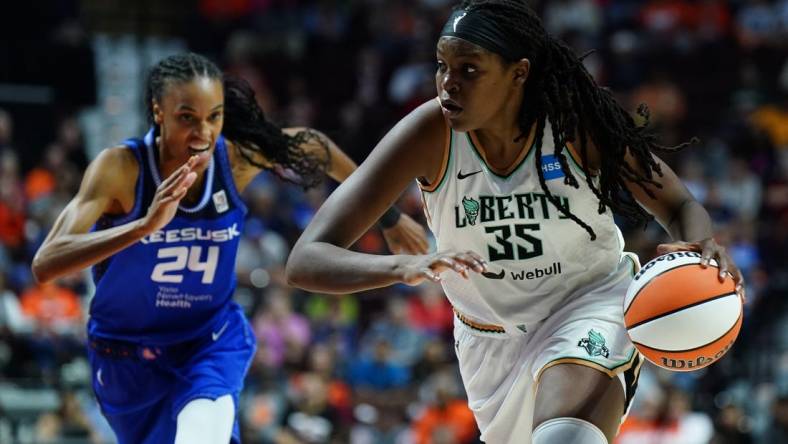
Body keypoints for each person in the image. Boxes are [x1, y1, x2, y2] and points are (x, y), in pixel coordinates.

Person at [285, 1, 745, 443]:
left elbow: (679, 205)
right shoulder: (428, 132)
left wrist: (698, 243)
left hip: (589, 304)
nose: (448, 84)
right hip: (487, 338)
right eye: (441, 66)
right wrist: (401, 268)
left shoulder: (575, 124)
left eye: (469, 70)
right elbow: (306, 260)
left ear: (517, 74)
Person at [31, 52, 428, 444]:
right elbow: (46, 263)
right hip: (125, 354)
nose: (203, 133)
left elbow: (316, 147)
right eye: (187, 117)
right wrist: (143, 226)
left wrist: (389, 217)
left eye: (214, 116)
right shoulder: (120, 168)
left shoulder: (234, 160)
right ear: (159, 111)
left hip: (208, 339)